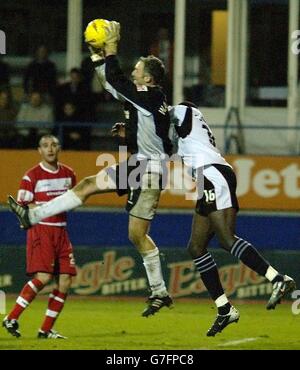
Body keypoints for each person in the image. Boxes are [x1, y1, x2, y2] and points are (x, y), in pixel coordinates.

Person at [8, 21, 173, 317]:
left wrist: (109, 50)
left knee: (137, 234)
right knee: (87, 185)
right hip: (139, 164)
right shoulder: (147, 98)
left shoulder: (149, 95)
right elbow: (114, 84)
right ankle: (33, 215)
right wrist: (98, 55)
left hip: (150, 170)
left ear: (147, 78)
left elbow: (115, 81)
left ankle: (160, 290)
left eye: (137, 68)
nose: (133, 70)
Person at [168, 101, 296, 336]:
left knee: (227, 239)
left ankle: (277, 278)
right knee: (196, 247)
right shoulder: (189, 137)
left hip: (212, 174)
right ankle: (224, 309)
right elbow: (163, 145)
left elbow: (160, 114)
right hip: (206, 177)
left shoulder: (186, 110)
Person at [3, 135, 77, 339]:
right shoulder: (31, 176)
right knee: (43, 278)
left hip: (61, 231)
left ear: (59, 147)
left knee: (65, 281)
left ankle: (45, 330)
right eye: (45, 146)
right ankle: (11, 317)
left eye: (53, 144)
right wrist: (45, 208)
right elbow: (23, 207)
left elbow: (74, 200)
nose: (50, 149)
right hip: (42, 230)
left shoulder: (69, 173)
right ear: (39, 150)